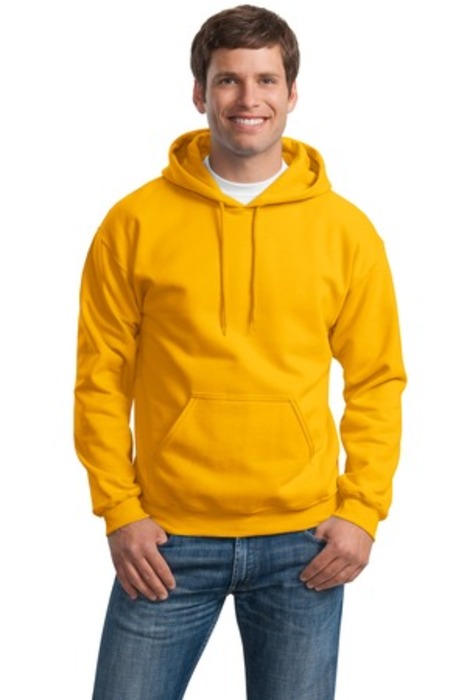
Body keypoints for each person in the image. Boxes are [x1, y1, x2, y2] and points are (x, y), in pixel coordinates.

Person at [74, 5, 406, 699]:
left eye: (265, 80)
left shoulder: (346, 232)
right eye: (228, 80)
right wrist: (120, 509)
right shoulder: (132, 224)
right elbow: (101, 377)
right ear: (200, 92)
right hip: (166, 540)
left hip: (303, 542)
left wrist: (362, 510)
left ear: (291, 93)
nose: (247, 98)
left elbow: (376, 379)